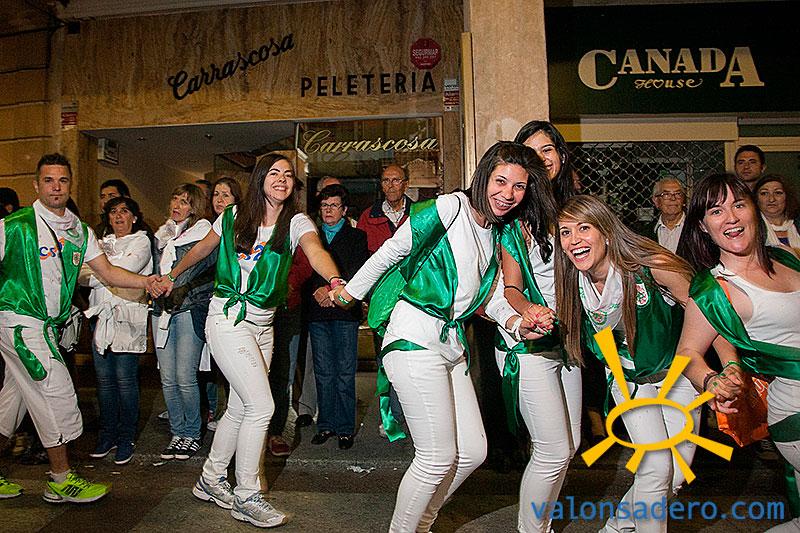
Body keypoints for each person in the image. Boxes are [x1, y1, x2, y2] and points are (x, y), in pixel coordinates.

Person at [333, 141, 544, 532]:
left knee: (472, 452)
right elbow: (392, 251)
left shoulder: (496, 231)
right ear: (484, 176)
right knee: (436, 458)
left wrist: (518, 323)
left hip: (450, 344)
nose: (508, 194)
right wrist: (351, 292)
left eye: (519, 186)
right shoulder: (451, 207)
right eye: (501, 181)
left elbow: (488, 299)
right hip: (413, 338)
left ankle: (421, 524)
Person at [160, 153, 340, 528]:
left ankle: (210, 479)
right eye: (274, 173)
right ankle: (246, 494)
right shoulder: (233, 215)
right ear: (260, 179)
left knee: (242, 408)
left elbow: (315, 250)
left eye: (287, 174)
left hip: (263, 324)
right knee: (262, 406)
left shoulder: (296, 222)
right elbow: (202, 249)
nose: (282, 179)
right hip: (227, 319)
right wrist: (173, 275)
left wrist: (334, 280)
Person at [554, 194, 731, 533]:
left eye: (584, 228)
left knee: (675, 475)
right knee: (656, 467)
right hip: (628, 378)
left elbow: (709, 315)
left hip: (677, 373)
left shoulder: (651, 265)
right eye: (565, 232)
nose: (574, 239)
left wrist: (728, 367)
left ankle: (618, 526)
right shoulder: (571, 280)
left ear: (606, 232)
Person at [0, 153, 160, 503]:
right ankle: (61, 477)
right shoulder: (14, 226)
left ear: (70, 185)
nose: (56, 187)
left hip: (48, 327)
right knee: (54, 390)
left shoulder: (78, 230)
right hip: (21, 322)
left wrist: (146, 281)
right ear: (36, 185)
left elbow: (108, 272)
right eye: (48, 180)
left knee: (13, 401)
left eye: (62, 181)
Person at [676, 173, 800, 532]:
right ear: (703, 226)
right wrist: (712, 380)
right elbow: (687, 353)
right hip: (794, 405)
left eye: (738, 205)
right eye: (716, 211)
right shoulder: (715, 288)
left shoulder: (785, 256)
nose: (731, 217)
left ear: (753, 210)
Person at [483, 152, 580, 532]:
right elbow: (510, 289)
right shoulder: (513, 227)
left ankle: (541, 524)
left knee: (568, 446)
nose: (543, 159)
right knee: (552, 450)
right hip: (527, 345)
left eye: (549, 149)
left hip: (567, 344)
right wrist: (528, 311)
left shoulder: (571, 217)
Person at [81, 196, 153, 465]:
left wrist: (103, 271)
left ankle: (126, 437)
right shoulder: (100, 243)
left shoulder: (141, 241)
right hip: (101, 318)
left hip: (127, 318)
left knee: (125, 380)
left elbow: (127, 271)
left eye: (124, 211)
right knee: (104, 381)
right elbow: (82, 276)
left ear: (134, 217)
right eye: (113, 212)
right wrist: (110, 272)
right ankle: (107, 434)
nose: (119, 216)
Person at [151, 183, 215, 461]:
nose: (177, 205)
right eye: (174, 199)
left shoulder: (203, 233)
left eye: (184, 201)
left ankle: (192, 433)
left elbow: (197, 271)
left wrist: (169, 283)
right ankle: (177, 432)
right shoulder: (161, 235)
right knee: (167, 378)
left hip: (189, 308)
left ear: (195, 207)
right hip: (160, 310)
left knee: (185, 377)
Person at [307, 184, 369, 450]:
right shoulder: (311, 236)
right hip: (317, 310)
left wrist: (332, 292)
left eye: (333, 205)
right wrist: (318, 289)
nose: (328, 210)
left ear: (344, 210)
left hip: (345, 311)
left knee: (344, 372)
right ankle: (326, 425)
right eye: (324, 206)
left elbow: (358, 271)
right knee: (323, 372)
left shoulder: (357, 237)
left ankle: (344, 428)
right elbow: (304, 269)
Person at [357, 164, 413, 435]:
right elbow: (363, 260)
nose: (391, 185)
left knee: (411, 357)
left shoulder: (420, 213)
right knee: (385, 359)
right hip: (381, 299)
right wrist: (365, 296)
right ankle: (390, 418)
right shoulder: (368, 217)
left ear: (406, 184)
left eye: (396, 180)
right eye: (386, 181)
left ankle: (410, 414)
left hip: (413, 297)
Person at [201, 177, 243, 432]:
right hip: (207, 303)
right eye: (216, 194)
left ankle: (233, 415)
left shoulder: (240, 226)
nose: (219, 199)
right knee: (212, 366)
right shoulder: (205, 226)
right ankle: (218, 410)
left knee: (233, 368)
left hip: (233, 304)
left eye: (226, 194)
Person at [513, 120, 578, 206]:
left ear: (562, 155)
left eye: (546, 150)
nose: (540, 158)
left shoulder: (576, 204)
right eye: (531, 152)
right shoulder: (512, 202)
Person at [638, 177, 687, 254]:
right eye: (666, 194)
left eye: (678, 194)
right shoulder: (645, 234)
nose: (673, 198)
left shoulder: (698, 228)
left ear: (683, 200)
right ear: (656, 201)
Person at [754, 174, 800, 251]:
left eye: (778, 193)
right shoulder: (752, 228)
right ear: (756, 199)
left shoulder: (798, 223)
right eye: (764, 193)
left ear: (787, 196)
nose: (771, 199)